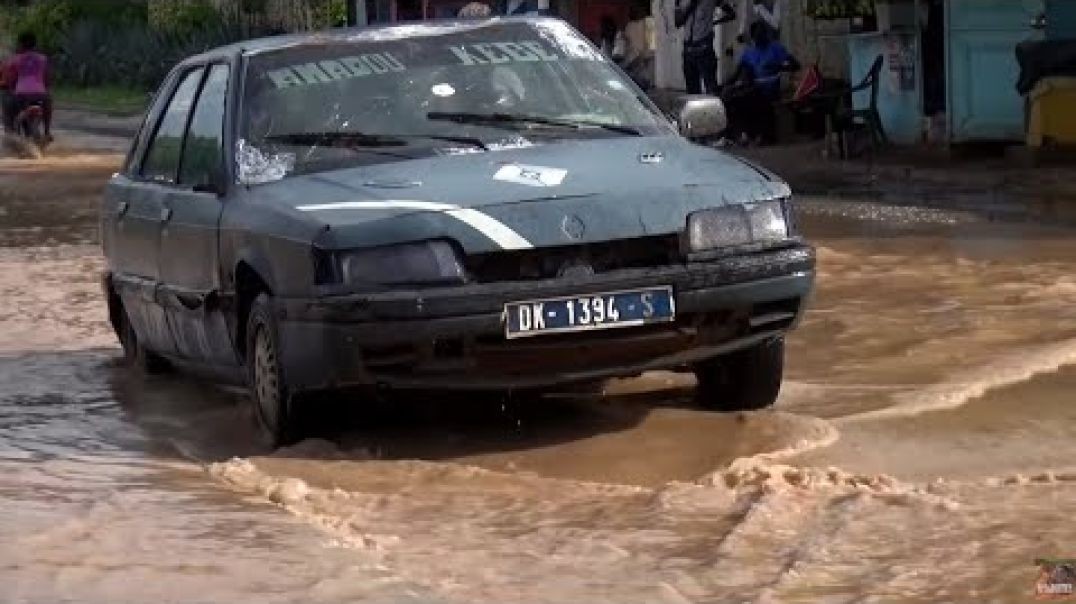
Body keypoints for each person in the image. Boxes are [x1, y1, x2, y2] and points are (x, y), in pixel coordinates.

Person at [719, 20, 799, 144]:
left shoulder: (775, 48)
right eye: (757, 34)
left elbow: (795, 64)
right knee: (730, 97)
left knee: (747, 97)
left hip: (769, 90)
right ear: (753, 36)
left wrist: (782, 67)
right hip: (754, 87)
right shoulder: (749, 53)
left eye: (762, 33)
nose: (760, 36)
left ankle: (750, 134)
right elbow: (736, 74)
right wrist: (723, 86)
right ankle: (734, 134)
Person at [675, 0, 736, 95]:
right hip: (688, 51)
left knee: (711, 89)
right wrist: (691, 5)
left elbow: (732, 14)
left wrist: (714, 23)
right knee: (692, 92)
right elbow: (677, 22)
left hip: (704, 50)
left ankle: (713, 109)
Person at [3, 31, 52, 139]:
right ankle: (47, 131)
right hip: (40, 94)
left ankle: (11, 131)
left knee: (9, 104)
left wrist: (10, 88)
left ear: (20, 44)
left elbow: (10, 80)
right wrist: (45, 88)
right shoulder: (43, 59)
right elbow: (48, 79)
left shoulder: (15, 59)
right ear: (35, 44)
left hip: (21, 94)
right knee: (48, 102)